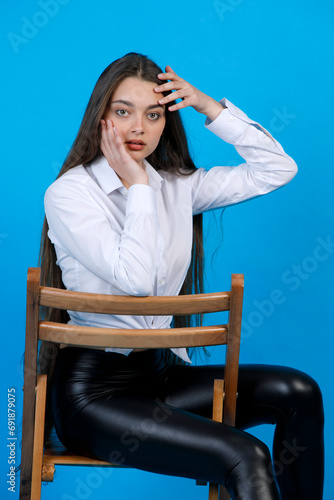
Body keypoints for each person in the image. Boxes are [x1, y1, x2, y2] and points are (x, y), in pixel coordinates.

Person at [39, 52, 324, 499]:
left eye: (153, 115)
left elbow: (278, 170)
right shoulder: (69, 194)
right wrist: (137, 187)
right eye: (123, 112)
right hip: (95, 397)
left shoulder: (176, 185)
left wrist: (211, 108)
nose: (138, 128)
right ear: (100, 118)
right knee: (245, 454)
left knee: (299, 390)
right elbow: (133, 279)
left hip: (159, 380)